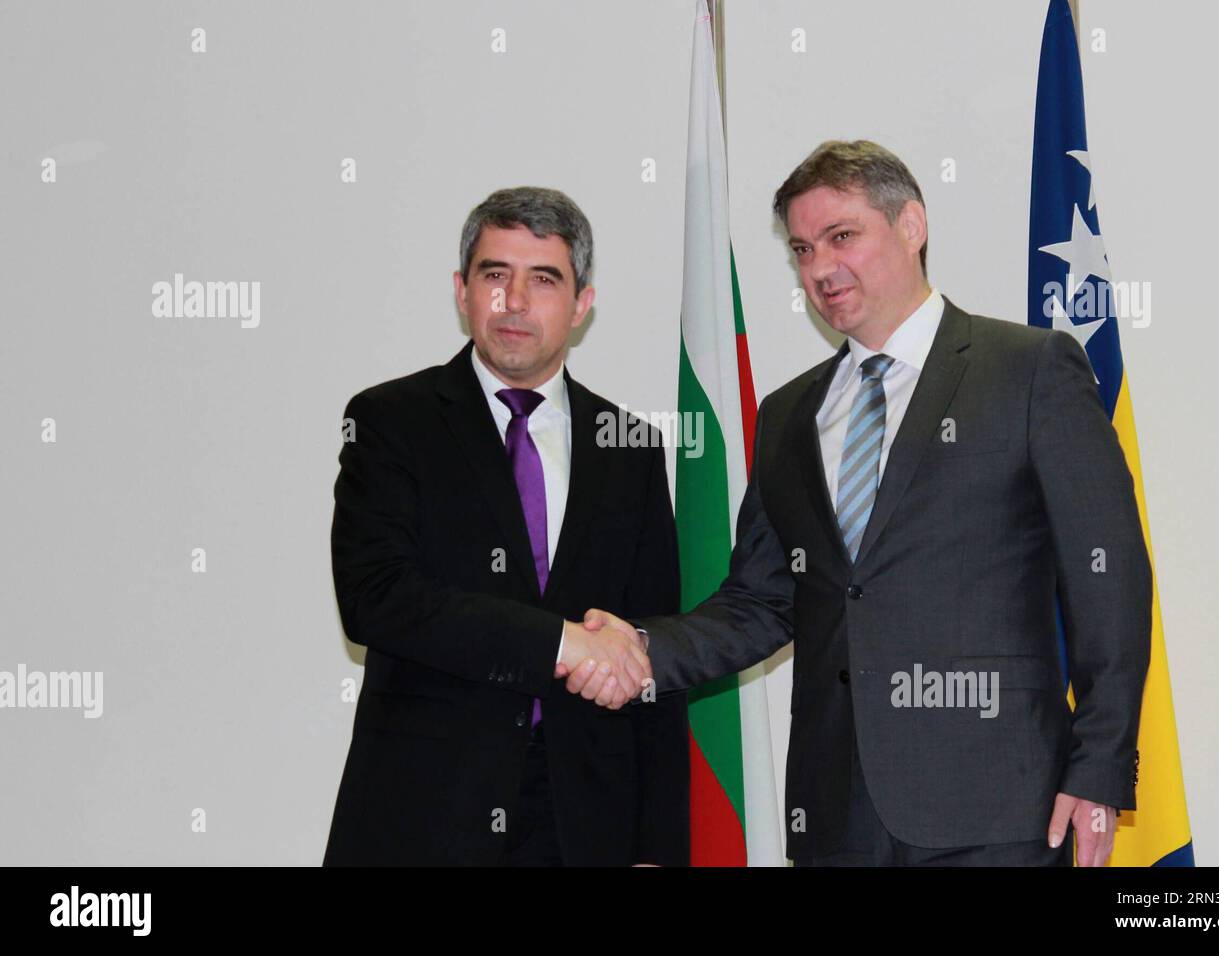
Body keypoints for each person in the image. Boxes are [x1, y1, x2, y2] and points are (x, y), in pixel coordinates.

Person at [578, 140, 1152, 866]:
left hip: (999, 807)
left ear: (911, 225)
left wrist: (1099, 766)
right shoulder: (788, 414)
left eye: (841, 236)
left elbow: (1109, 577)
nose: (819, 268)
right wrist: (642, 650)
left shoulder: (1030, 370)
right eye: (802, 249)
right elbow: (762, 600)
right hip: (835, 814)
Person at [323, 187, 688, 866]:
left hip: (585, 820)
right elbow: (376, 599)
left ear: (582, 304)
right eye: (495, 275)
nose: (513, 301)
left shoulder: (628, 444)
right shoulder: (391, 421)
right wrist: (560, 643)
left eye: (543, 279)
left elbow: (651, 650)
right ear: (463, 291)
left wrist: (657, 846)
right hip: (426, 811)